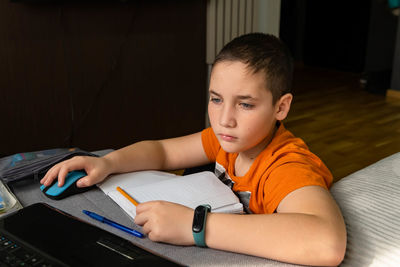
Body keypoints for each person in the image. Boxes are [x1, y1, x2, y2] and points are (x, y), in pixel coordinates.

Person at [41, 33, 346, 266]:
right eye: (216, 99)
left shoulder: (285, 165)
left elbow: (327, 242)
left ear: (281, 107)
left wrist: (195, 227)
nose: (225, 119)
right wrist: (107, 163)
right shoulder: (228, 140)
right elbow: (162, 151)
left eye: (245, 104)